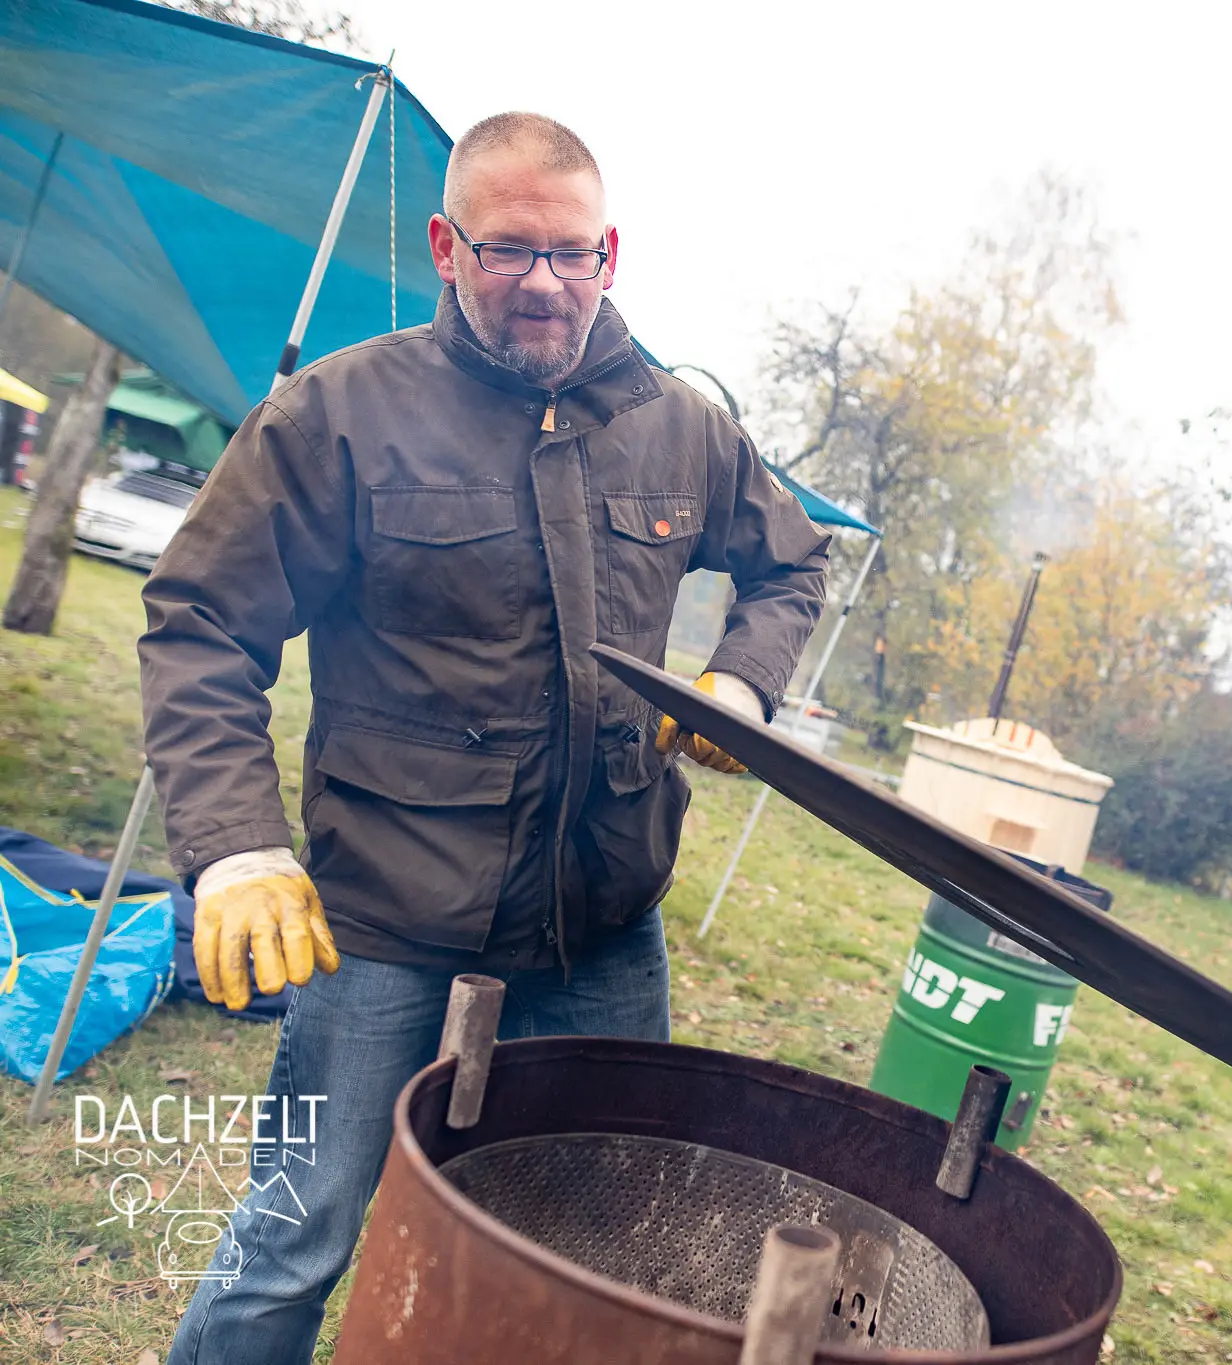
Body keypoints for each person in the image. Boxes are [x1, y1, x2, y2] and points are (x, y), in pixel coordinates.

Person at [139, 112, 830, 1365]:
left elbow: (792, 565)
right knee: (297, 1237)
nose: (543, 285)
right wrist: (236, 849)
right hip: (387, 916)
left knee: (588, 1247)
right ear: (447, 246)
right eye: (508, 251)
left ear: (611, 253)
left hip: (601, 926)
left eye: (570, 255)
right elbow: (197, 621)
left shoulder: (679, 423)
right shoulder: (341, 411)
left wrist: (742, 684)